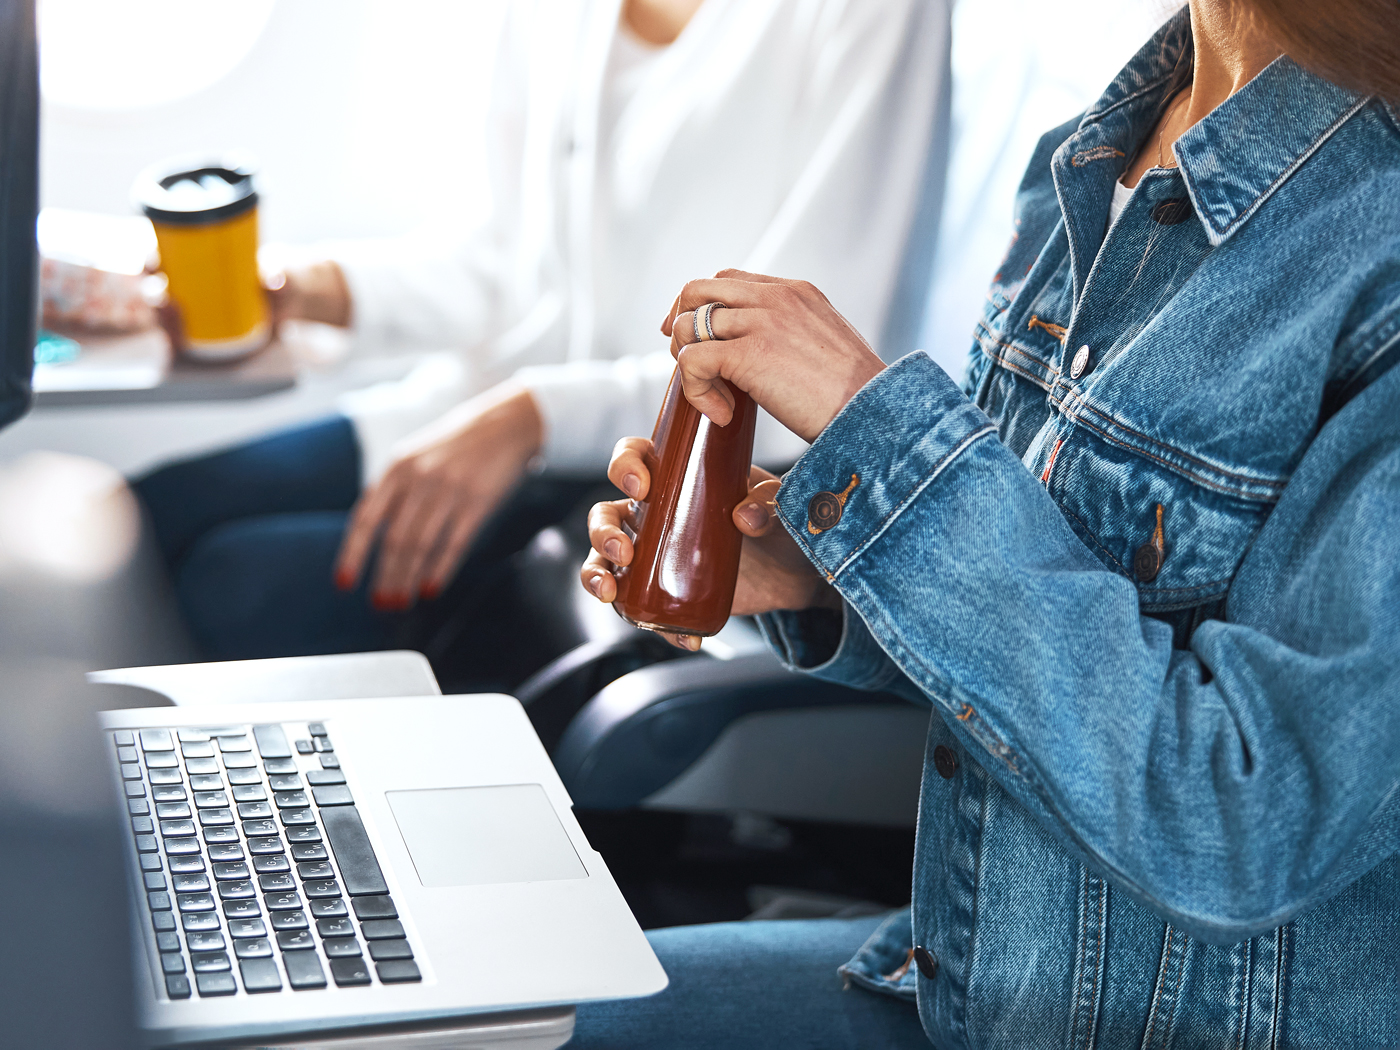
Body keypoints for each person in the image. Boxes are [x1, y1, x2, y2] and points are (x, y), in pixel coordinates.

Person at [577, 0, 1400, 1045]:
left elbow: (1242, 822)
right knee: (521, 1018)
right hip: (974, 975)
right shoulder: (1091, 159)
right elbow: (1052, 614)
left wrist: (876, 427)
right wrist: (817, 572)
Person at [133, 0, 949, 666]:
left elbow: (812, 366)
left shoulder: (872, 14)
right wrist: (294, 290)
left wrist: (532, 415)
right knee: (139, 518)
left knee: (232, 581)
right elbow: (504, 263)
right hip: (486, 415)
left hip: (669, 468)